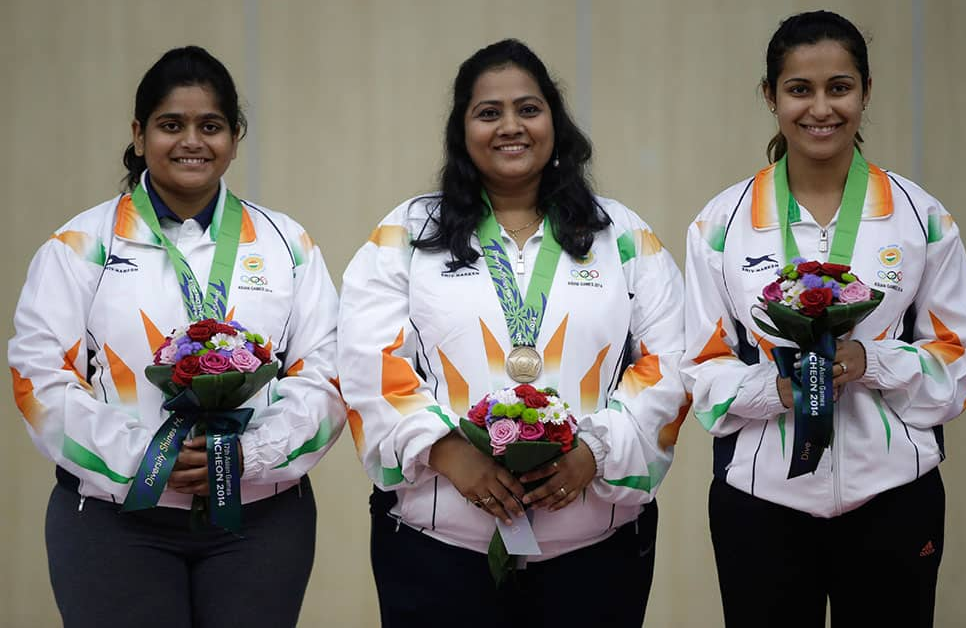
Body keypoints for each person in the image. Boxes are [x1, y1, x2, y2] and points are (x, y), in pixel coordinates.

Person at [337, 39, 687, 628]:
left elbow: (669, 362)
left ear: (555, 120)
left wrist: (594, 452)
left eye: (528, 108)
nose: (511, 126)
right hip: (437, 550)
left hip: (594, 552)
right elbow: (367, 361)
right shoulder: (404, 234)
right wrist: (447, 452)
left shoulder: (621, 235)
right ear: (462, 129)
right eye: (488, 112)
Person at [8, 46, 345, 628]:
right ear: (139, 135)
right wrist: (147, 460)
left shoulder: (287, 244)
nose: (192, 141)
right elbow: (40, 381)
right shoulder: (79, 245)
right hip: (114, 523)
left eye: (210, 125)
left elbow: (328, 371)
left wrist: (248, 455)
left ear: (235, 137)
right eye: (171, 125)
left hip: (259, 523)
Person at [682, 10, 966, 628]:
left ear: (866, 91)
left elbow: (963, 353)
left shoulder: (919, 216)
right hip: (760, 499)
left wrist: (871, 361)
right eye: (799, 89)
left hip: (894, 496)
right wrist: (775, 390)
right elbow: (699, 368)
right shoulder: (721, 224)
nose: (820, 108)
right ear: (770, 96)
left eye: (839, 87)